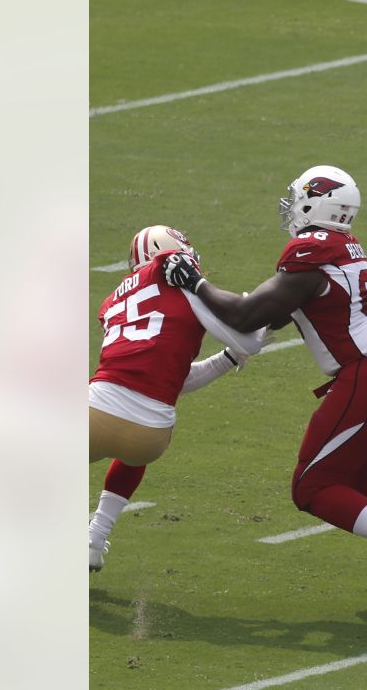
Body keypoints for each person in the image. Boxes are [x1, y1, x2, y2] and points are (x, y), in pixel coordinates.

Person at [161, 165, 367, 611]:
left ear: (315, 202)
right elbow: (272, 312)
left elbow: (246, 316)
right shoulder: (338, 247)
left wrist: (195, 283)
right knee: (361, 480)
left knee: (312, 487)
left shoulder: (310, 251)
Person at [89, 226, 264, 572]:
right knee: (133, 441)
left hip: (95, 412)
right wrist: (251, 333)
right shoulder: (174, 271)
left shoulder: (113, 302)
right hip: (150, 436)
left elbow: (153, 374)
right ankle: (94, 540)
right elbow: (247, 343)